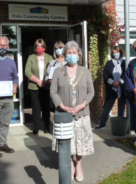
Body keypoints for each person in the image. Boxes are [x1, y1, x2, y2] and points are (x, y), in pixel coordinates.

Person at [50, 40, 94, 182]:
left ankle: (79, 164)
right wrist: (62, 106)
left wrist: (82, 105)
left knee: (80, 142)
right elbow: (53, 92)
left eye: (74, 53)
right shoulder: (58, 71)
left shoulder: (85, 71)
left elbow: (91, 91)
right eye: (69, 53)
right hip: (64, 114)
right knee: (66, 141)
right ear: (64, 54)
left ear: (79, 55)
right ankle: (69, 164)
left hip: (81, 114)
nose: (71, 55)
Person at [25, 38, 53, 134]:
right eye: (37, 46)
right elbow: (27, 71)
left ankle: (46, 127)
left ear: (44, 47)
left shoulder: (49, 58)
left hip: (46, 86)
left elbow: (53, 71)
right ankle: (36, 127)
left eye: (41, 46)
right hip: (34, 86)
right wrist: (37, 81)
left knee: (46, 107)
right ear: (35, 47)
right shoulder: (31, 57)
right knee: (36, 108)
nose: (39, 48)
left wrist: (45, 81)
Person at [95, 46, 126, 130]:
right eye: (114, 52)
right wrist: (112, 82)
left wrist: (119, 81)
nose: (116, 54)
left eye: (117, 52)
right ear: (112, 53)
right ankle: (102, 125)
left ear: (121, 53)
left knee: (122, 108)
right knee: (107, 107)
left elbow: (126, 74)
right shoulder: (109, 63)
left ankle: (120, 126)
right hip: (111, 89)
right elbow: (105, 75)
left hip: (122, 89)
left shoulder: (124, 63)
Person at [0, 36, 18, 157]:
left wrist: (15, 86)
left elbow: (15, 77)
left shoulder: (12, 62)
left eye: (4, 45)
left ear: (8, 47)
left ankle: (2, 143)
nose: (2, 47)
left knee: (5, 122)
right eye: (0, 45)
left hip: (8, 97)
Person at [45, 41, 66, 112]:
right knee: (58, 111)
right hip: (56, 91)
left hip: (68, 90)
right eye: (56, 48)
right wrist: (50, 81)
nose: (58, 50)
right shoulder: (52, 63)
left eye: (60, 48)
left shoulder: (68, 62)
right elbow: (47, 77)